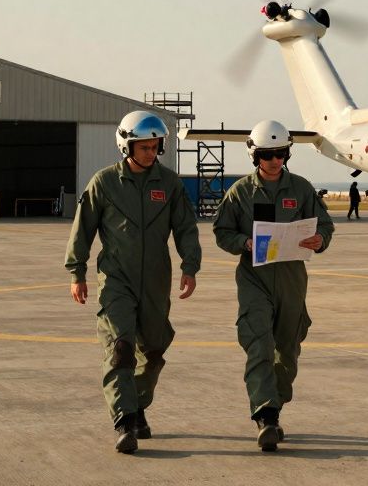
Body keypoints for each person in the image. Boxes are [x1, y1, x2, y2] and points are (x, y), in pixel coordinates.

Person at [65, 110, 201, 455]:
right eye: (144, 147)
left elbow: (185, 227)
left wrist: (190, 265)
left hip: (156, 280)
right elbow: (83, 230)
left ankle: (137, 405)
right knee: (121, 349)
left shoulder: (169, 184)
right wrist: (76, 272)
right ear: (126, 145)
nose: (150, 153)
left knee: (153, 353)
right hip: (116, 280)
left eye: (155, 147)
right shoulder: (104, 183)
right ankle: (124, 421)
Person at [213, 119, 334, 452]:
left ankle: (274, 406)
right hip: (255, 280)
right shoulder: (239, 193)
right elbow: (222, 232)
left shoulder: (302, 189)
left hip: (293, 280)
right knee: (259, 345)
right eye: (268, 155)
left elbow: (325, 224)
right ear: (256, 156)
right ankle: (265, 415)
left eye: (281, 154)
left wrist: (319, 239)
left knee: (288, 352)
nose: (275, 161)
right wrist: (244, 242)